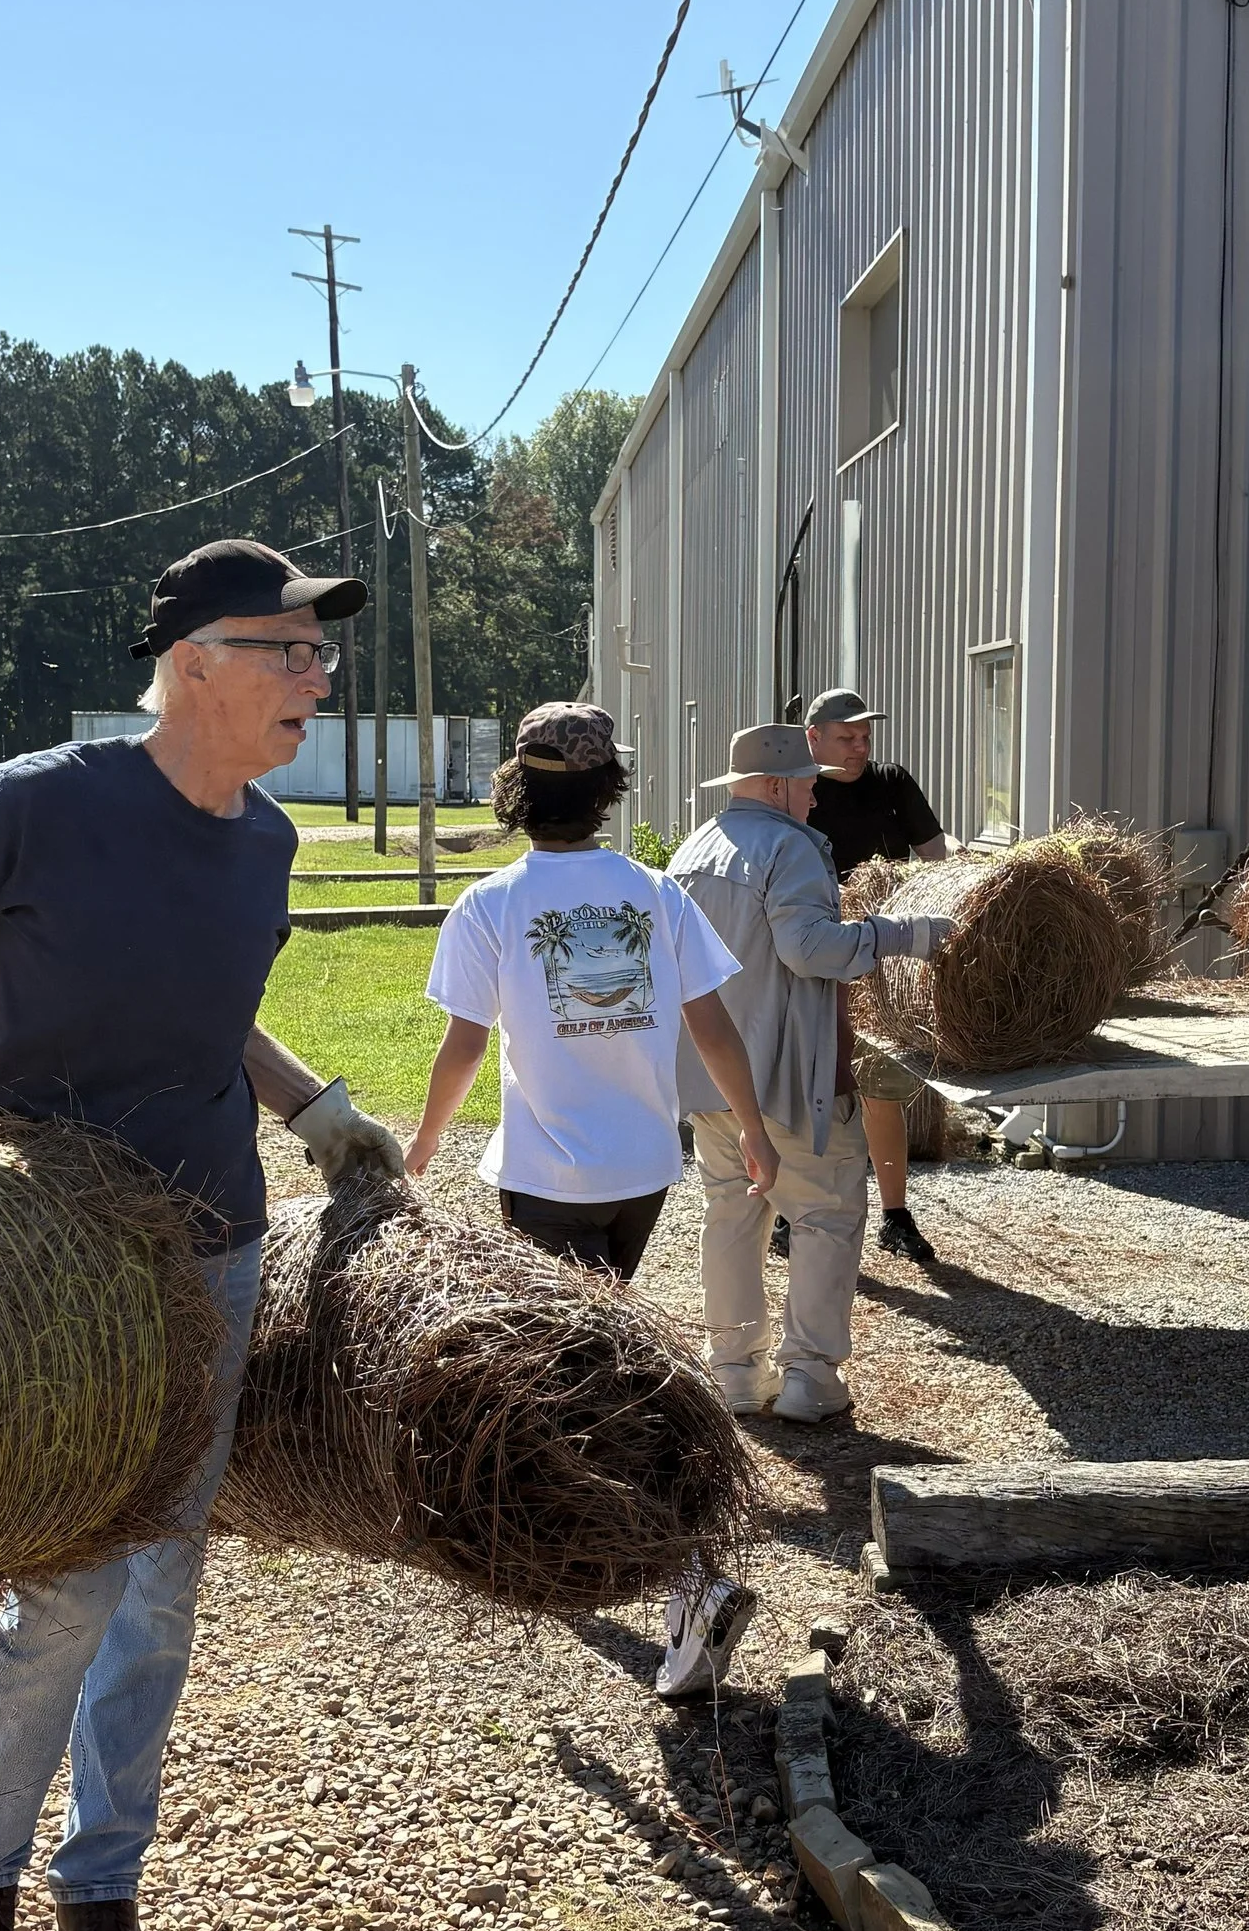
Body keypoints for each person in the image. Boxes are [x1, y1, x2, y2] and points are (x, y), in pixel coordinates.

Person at [0, 538, 407, 1931]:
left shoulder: (265, 840)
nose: (317, 679)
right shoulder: (45, 800)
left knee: (162, 1590)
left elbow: (218, 1016)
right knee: (67, 1588)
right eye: (291, 651)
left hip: (214, 1245)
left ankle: (103, 1887)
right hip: (54, 1261)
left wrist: (311, 1104)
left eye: (319, 656)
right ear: (196, 660)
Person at [406, 702, 781, 1701]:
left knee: (579, 1375)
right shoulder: (655, 894)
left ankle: (682, 1573)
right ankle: (612, 1553)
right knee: (592, 1354)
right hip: (639, 1175)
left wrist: (425, 1142)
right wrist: (749, 1125)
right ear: (608, 790)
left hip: (543, 1177)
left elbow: (465, 1046)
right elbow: (710, 1027)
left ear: (518, 794)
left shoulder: (491, 904)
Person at [668, 725, 954, 1427]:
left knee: (732, 1213)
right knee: (827, 1213)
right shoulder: (789, 847)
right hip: (790, 1074)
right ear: (772, 787)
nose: (815, 793)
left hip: (712, 1077)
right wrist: (903, 935)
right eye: (804, 781)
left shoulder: (694, 847)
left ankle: (735, 1372)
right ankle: (810, 1377)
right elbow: (809, 948)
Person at [802, 684, 950, 1265]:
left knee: (881, 1087)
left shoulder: (892, 783)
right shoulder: (799, 790)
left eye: (866, 736)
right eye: (847, 736)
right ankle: (795, 1214)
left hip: (884, 960)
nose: (860, 746)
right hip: (813, 957)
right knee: (811, 1087)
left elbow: (938, 861)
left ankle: (894, 1215)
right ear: (814, 737)